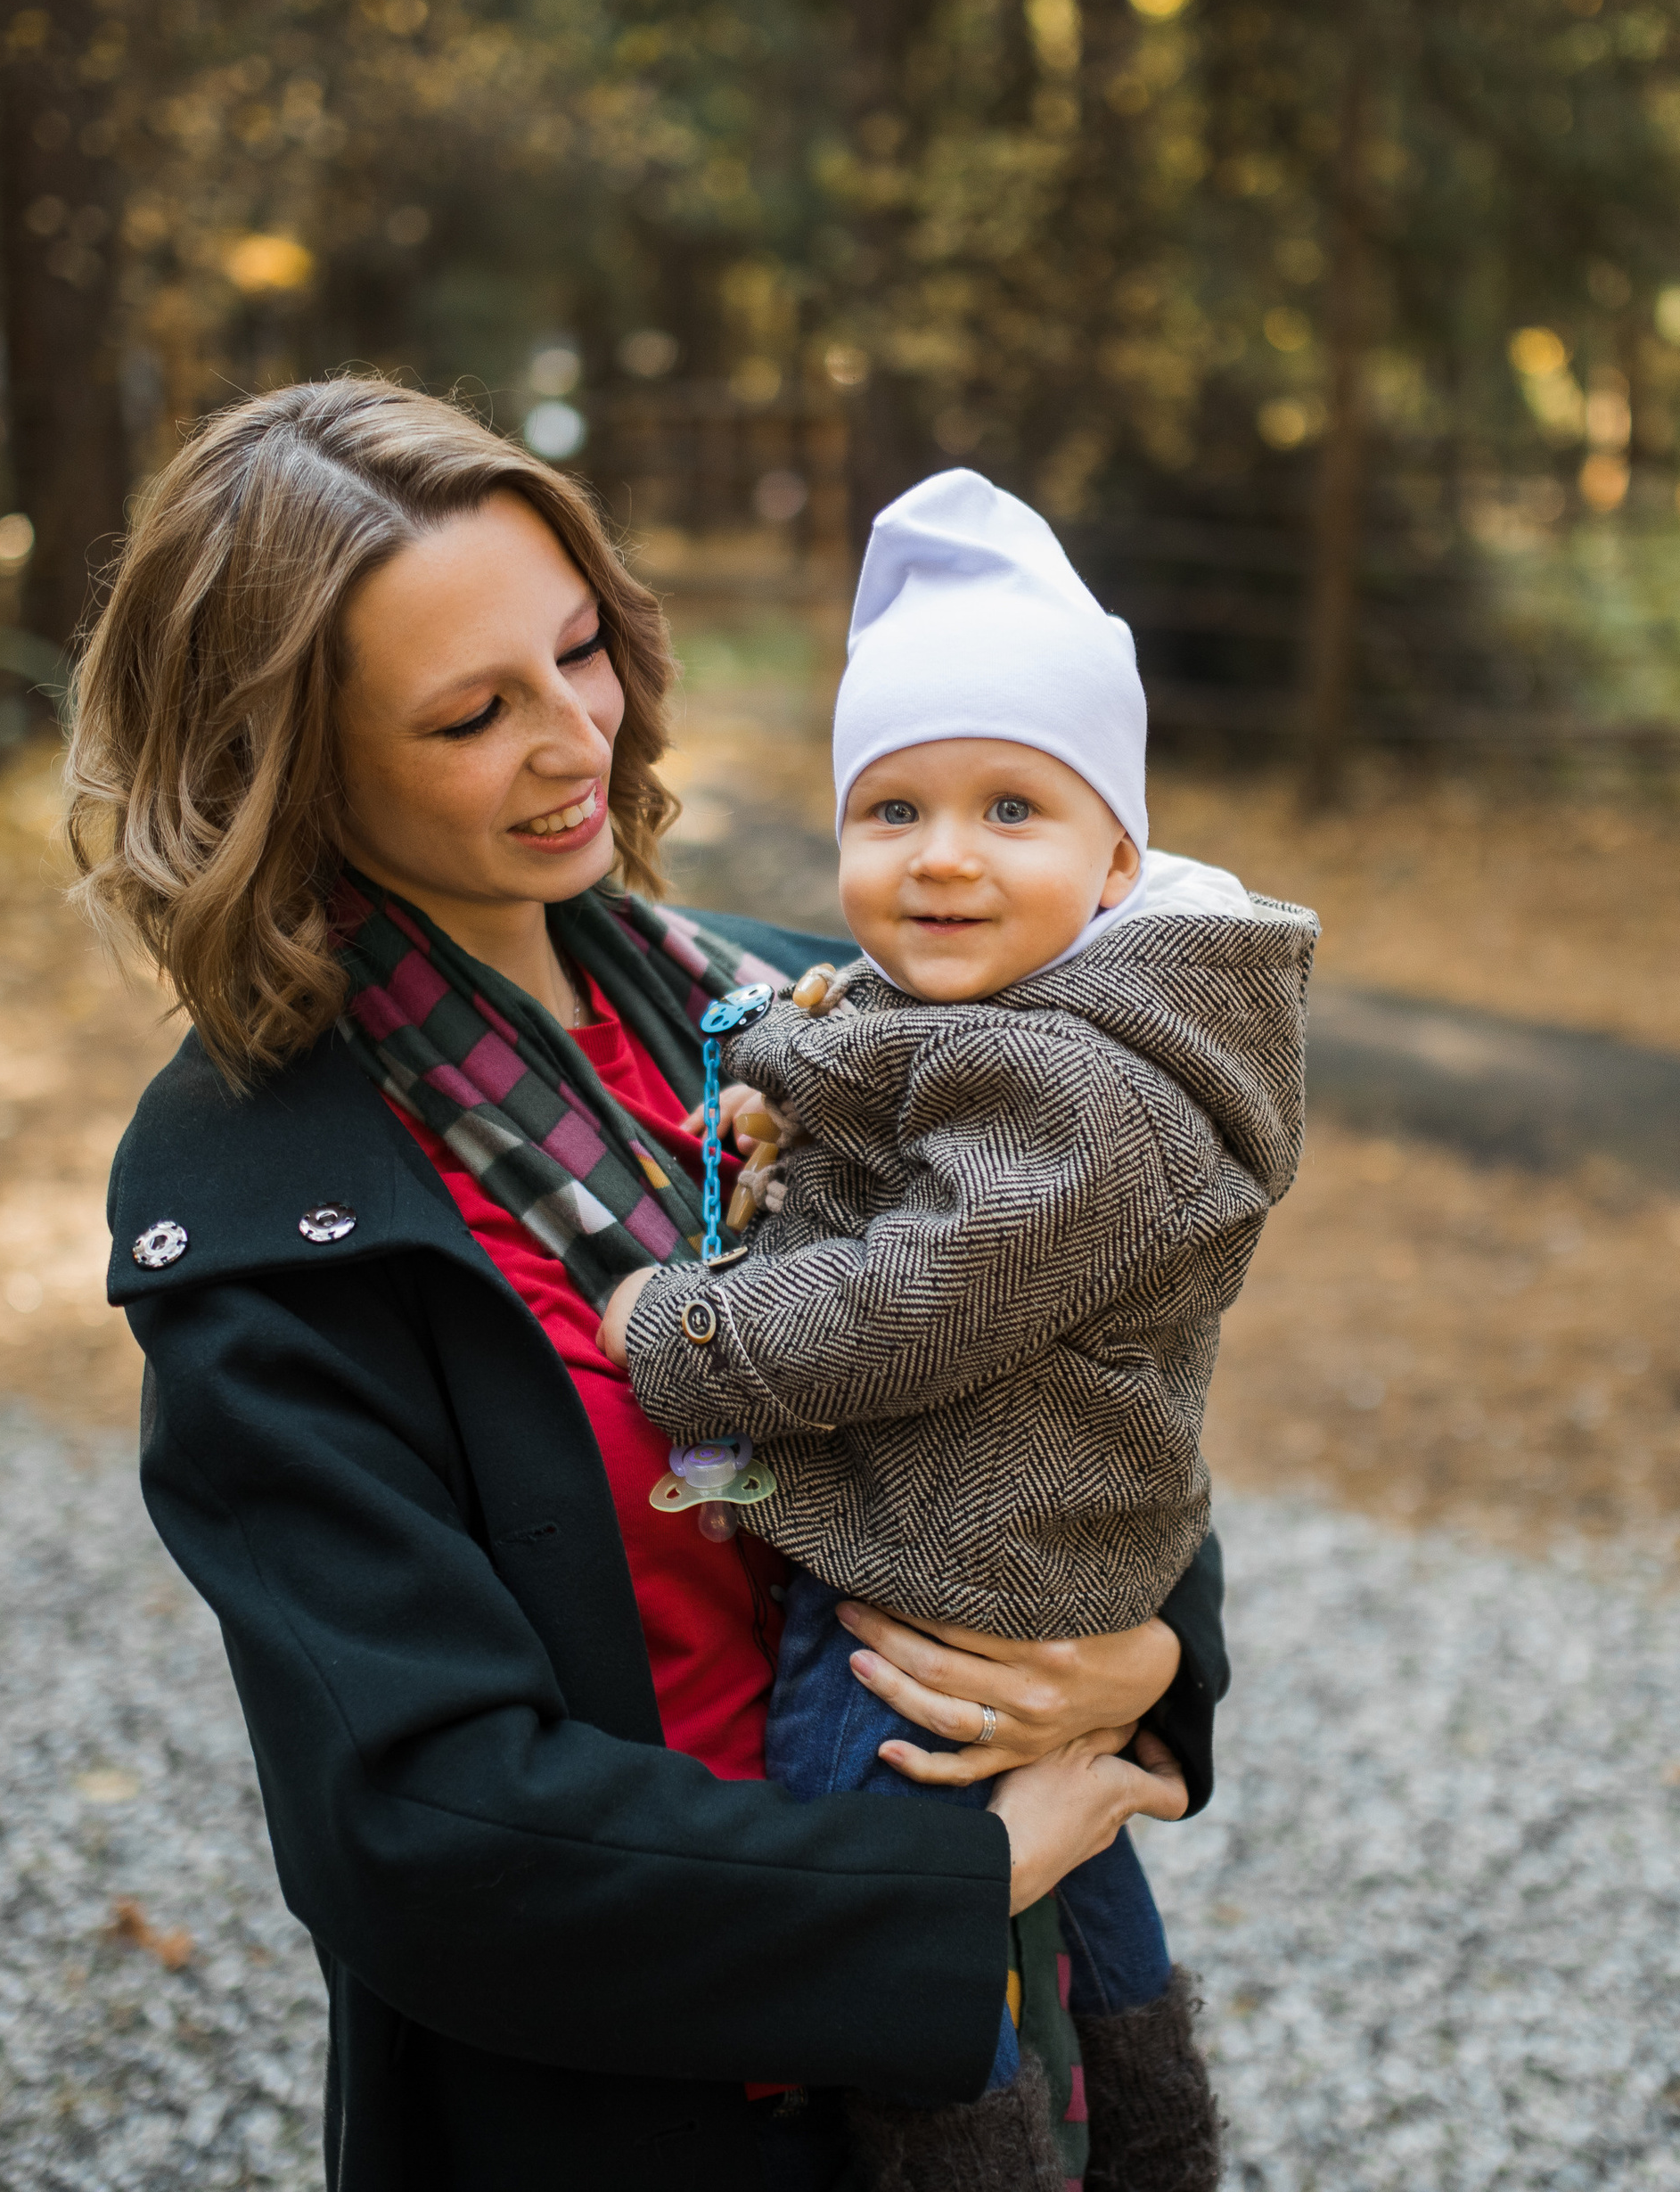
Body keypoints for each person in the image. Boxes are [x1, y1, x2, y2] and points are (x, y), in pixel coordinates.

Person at [65, 378, 1232, 2192]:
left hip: (1015, 2024)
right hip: (645, 2112)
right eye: (472, 712)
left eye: (581, 650)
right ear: (286, 767)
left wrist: (1150, 1656)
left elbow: (1091, 1351)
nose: (572, 739)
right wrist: (953, 1875)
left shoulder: (807, 1012)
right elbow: (422, 1826)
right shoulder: (270, 1205)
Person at [597, 469, 1315, 2188]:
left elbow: (916, 1304)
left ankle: (964, 2155)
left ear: (1118, 857)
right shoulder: (1032, 1032)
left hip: (938, 1596)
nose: (940, 855)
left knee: (894, 1928)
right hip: (1030, 1581)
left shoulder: (1078, 1085)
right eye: (892, 808)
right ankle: (1151, 2134)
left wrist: (681, 1330)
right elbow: (902, 1106)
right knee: (1078, 1887)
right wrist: (802, 1109)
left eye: (1012, 810)